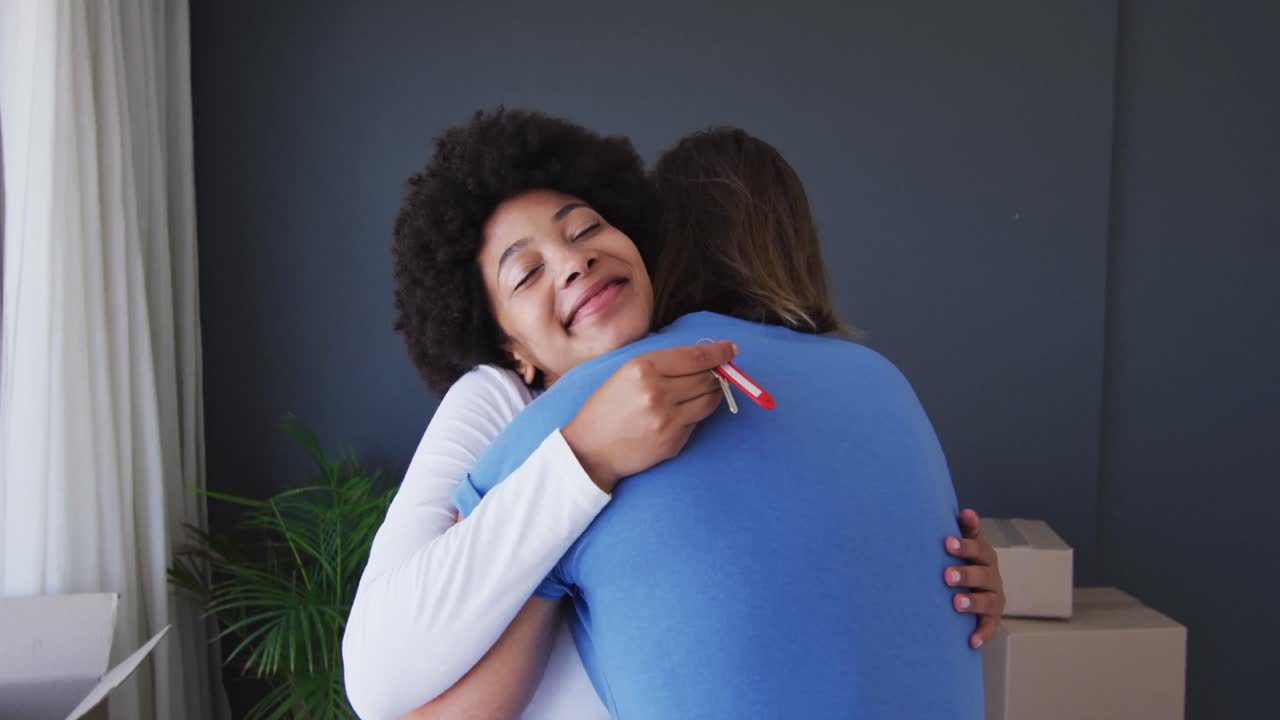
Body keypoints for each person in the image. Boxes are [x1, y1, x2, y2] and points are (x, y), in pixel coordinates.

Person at [342, 111, 1003, 720]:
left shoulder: (739, 378)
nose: (575, 262)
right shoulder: (501, 405)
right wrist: (584, 457)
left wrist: (937, 577)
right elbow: (379, 680)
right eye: (527, 274)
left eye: (586, 228)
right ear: (508, 345)